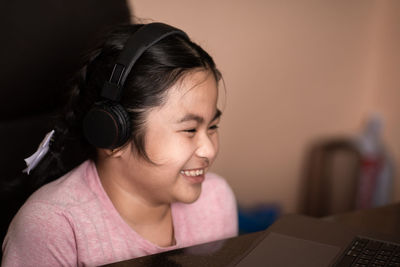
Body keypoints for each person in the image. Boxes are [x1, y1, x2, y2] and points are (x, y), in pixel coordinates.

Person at [1, 22, 238, 266]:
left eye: (212, 127)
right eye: (189, 130)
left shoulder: (216, 199)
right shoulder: (53, 228)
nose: (209, 150)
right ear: (112, 134)